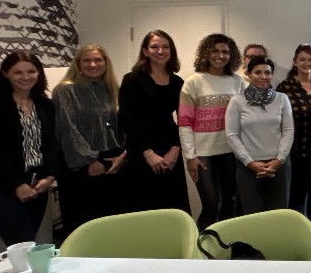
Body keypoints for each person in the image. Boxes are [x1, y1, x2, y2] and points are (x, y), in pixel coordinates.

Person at [0, 51, 59, 246]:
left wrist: (49, 176)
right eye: (18, 72)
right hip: (2, 187)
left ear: (39, 73)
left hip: (37, 185)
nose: (25, 77)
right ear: (5, 73)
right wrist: (17, 184)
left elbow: (51, 143)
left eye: (31, 71)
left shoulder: (45, 105)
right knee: (23, 244)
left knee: (28, 244)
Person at [53, 44, 127, 235]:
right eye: (87, 60)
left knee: (112, 225)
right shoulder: (65, 91)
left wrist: (123, 155)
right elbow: (67, 131)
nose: (93, 64)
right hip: (82, 166)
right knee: (84, 225)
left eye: (98, 60)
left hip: (113, 163)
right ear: (78, 63)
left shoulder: (111, 88)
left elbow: (123, 125)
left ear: (106, 63)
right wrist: (92, 160)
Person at [179, 33, 245, 230]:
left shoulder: (237, 81)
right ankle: (202, 251)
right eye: (215, 50)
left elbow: (243, 118)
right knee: (210, 205)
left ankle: (223, 249)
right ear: (205, 53)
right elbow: (184, 123)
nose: (220, 55)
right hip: (203, 154)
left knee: (231, 203)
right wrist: (190, 156)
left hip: (231, 152)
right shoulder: (194, 82)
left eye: (225, 51)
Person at [118, 30, 189, 214]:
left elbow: (183, 119)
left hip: (170, 149)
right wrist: (148, 153)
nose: (160, 51)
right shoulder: (132, 79)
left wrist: (175, 149)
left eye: (166, 47)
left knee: (174, 207)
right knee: (146, 208)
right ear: (145, 51)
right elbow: (128, 118)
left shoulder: (177, 82)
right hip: (141, 150)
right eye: (154, 46)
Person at [226, 56, 293, 215]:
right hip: (248, 167)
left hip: (278, 166)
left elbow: (288, 130)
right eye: (257, 72)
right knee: (253, 216)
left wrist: (278, 160)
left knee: (278, 215)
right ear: (248, 74)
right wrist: (250, 163)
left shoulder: (282, 99)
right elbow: (232, 135)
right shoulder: (237, 101)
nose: (263, 77)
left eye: (267, 72)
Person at [276, 44, 311, 227]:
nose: (307, 63)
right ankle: (296, 238)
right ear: (295, 62)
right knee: (296, 199)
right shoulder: (285, 88)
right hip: (297, 154)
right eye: (302, 59)